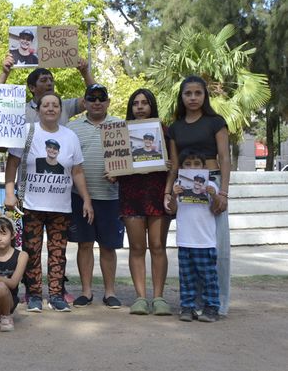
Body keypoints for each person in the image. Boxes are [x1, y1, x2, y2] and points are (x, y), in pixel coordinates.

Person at [4, 91, 93, 313]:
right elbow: (12, 164)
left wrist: (86, 199)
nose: (51, 108)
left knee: (58, 252)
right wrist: (9, 193)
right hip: (31, 205)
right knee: (31, 251)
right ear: (38, 110)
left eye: (55, 105)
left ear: (61, 110)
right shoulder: (27, 131)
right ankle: (34, 295)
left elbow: (77, 171)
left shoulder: (70, 136)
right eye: (46, 105)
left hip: (60, 207)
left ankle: (56, 295)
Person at [165, 75, 231, 316]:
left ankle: (217, 303)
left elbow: (225, 157)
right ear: (181, 97)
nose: (193, 97)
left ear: (205, 96)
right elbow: (174, 164)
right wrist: (168, 191)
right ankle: (193, 303)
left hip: (212, 183)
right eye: (188, 93)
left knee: (216, 244)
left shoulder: (216, 122)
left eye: (197, 93)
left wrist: (223, 191)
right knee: (192, 244)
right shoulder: (175, 127)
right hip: (185, 186)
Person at [67, 84, 125, 310]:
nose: (97, 102)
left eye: (102, 98)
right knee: (84, 244)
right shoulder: (72, 128)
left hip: (110, 197)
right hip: (79, 196)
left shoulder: (119, 125)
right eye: (92, 98)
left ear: (108, 102)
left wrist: (120, 173)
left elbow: (129, 161)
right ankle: (86, 291)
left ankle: (110, 292)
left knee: (108, 246)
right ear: (85, 102)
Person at [117, 89, 172, 316]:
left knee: (158, 246)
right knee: (137, 247)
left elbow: (175, 164)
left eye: (144, 103)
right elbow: (115, 163)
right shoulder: (120, 133)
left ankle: (159, 298)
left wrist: (169, 185)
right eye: (135, 103)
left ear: (152, 106)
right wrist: (113, 172)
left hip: (158, 194)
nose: (139, 107)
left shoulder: (165, 131)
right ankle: (140, 298)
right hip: (131, 195)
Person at [168, 149, 221, 322]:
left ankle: (211, 307)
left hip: (205, 241)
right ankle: (187, 307)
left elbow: (217, 209)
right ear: (182, 167)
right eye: (188, 164)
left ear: (204, 167)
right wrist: (174, 195)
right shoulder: (178, 185)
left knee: (209, 278)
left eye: (197, 164)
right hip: (185, 240)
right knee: (186, 278)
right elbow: (172, 210)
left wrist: (214, 195)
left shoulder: (211, 185)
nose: (192, 167)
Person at [0, 54, 96, 124]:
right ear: (32, 87)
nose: (49, 83)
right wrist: (5, 73)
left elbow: (95, 97)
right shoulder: (21, 111)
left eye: (51, 80)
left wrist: (85, 73)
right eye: (44, 80)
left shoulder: (64, 106)